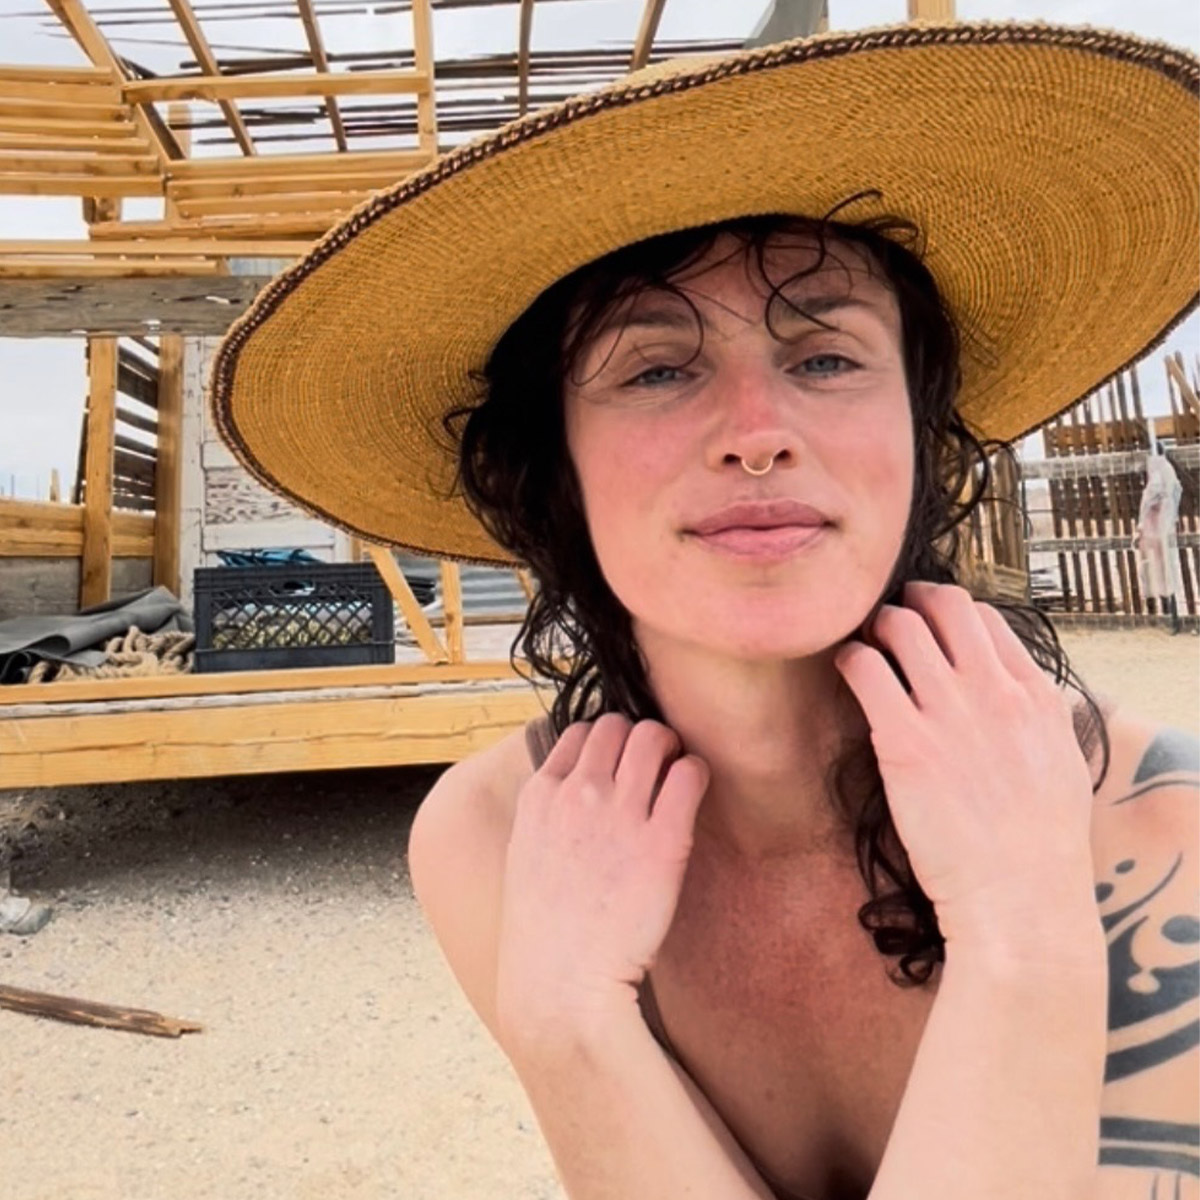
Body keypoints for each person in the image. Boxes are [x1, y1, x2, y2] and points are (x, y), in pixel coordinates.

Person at [209, 20, 1200, 1200]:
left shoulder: (1156, 831)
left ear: (920, 433)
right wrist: (572, 1022)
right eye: (657, 369)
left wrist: (1023, 933)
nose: (757, 431)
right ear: (550, 470)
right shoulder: (500, 842)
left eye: (826, 358)